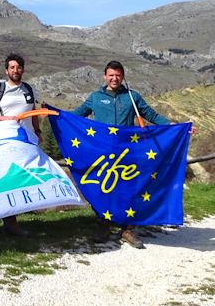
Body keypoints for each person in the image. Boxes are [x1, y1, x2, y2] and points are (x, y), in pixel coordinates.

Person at [72, 60, 172, 249]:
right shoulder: (95, 97)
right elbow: (76, 115)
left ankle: (128, 229)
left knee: (128, 188)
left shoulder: (132, 97)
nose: (114, 78)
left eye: (118, 75)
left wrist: (174, 126)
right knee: (104, 188)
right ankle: (103, 225)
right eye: (111, 75)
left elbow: (151, 114)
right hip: (104, 153)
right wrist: (56, 114)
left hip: (128, 152)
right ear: (105, 76)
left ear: (123, 77)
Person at [0, 53, 41, 238]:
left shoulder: (29, 89)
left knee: (14, 182)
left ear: (23, 69)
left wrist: (38, 132)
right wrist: (7, 119)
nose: (16, 70)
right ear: (7, 70)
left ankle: (11, 222)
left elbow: (34, 113)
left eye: (19, 67)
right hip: (2, 141)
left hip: (24, 143)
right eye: (12, 67)